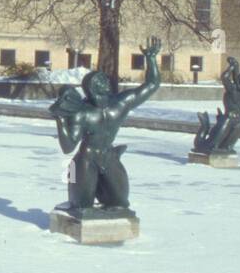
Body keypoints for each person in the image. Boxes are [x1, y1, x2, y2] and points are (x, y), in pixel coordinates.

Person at [50, 39, 161, 210]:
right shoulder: (83, 112)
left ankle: (103, 192)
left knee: (120, 203)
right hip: (85, 159)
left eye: (105, 79)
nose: (107, 82)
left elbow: (151, 85)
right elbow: (68, 147)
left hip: (109, 156)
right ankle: (79, 193)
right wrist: (61, 119)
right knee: (81, 207)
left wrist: (151, 59)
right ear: (93, 88)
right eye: (101, 80)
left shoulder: (120, 103)